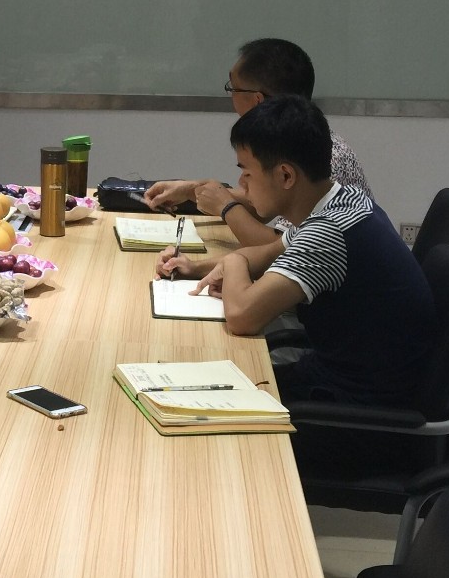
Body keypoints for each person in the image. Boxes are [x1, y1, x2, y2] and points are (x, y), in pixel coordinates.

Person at [156, 96, 433, 468]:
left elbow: (242, 316)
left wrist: (234, 262)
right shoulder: (340, 201)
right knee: (194, 393)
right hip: (335, 383)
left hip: (358, 422)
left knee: (198, 427)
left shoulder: (329, 232)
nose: (241, 184)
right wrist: (194, 267)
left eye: (247, 173)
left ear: (286, 176)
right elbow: (270, 252)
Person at [145, 37, 369, 249]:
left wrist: (226, 206)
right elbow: (264, 204)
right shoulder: (301, 139)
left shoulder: (321, 157)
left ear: (258, 101)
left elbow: (281, 249)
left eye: (233, 88)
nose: (231, 97)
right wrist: (192, 190)